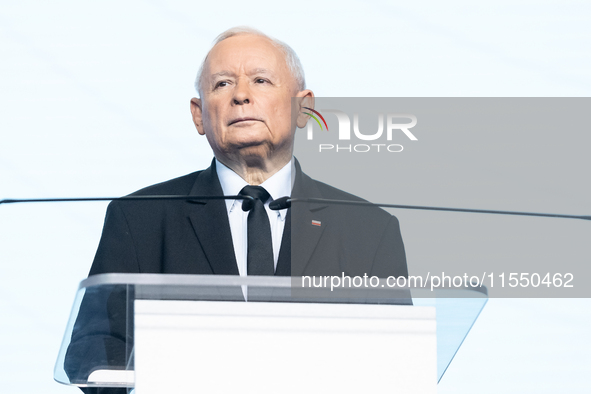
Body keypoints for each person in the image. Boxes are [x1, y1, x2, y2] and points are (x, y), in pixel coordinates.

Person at [66, 27, 408, 393]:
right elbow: (91, 356)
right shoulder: (138, 219)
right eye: (223, 84)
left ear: (303, 107)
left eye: (261, 80)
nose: (242, 96)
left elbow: (401, 363)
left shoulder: (370, 229)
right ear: (198, 115)